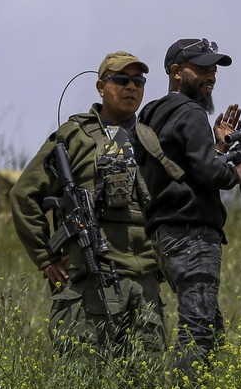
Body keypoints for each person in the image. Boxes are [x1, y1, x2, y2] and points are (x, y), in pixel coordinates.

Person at [9, 51, 167, 356]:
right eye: (121, 80)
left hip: (144, 281)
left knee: (147, 387)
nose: (131, 87)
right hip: (90, 280)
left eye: (138, 81)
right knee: (82, 380)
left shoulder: (148, 138)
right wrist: (45, 258)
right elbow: (24, 194)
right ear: (101, 87)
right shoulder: (75, 136)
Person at [135, 38, 241, 381]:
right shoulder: (190, 112)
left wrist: (217, 146)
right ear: (177, 72)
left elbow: (183, 168)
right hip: (192, 235)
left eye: (214, 70)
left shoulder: (151, 114)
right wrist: (238, 173)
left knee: (210, 329)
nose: (212, 77)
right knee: (199, 331)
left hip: (165, 236)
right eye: (202, 69)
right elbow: (206, 173)